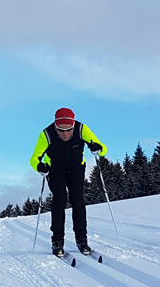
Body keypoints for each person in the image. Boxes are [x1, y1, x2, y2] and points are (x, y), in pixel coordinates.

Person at [30, 108, 107, 256]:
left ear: (73, 125)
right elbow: (34, 158)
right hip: (55, 171)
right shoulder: (46, 134)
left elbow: (102, 148)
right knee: (59, 200)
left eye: (68, 130)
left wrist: (98, 148)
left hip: (76, 169)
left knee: (77, 200)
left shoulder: (81, 129)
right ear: (55, 126)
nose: (65, 134)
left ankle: (82, 240)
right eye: (61, 130)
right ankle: (57, 242)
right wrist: (39, 166)